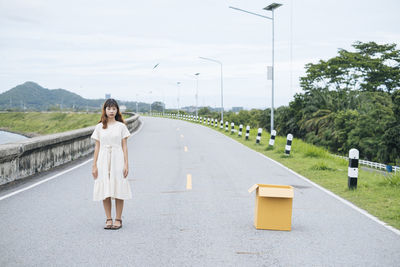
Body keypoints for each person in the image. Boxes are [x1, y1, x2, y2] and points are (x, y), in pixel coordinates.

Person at [90, 98, 132, 230]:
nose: (111, 111)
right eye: (109, 109)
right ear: (105, 110)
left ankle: (118, 219)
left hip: (117, 158)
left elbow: (124, 146)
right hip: (103, 159)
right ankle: (108, 218)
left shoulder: (121, 127)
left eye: (114, 109)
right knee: (105, 188)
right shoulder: (99, 127)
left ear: (117, 110)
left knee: (118, 186)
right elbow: (97, 147)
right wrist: (94, 165)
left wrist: (126, 164)